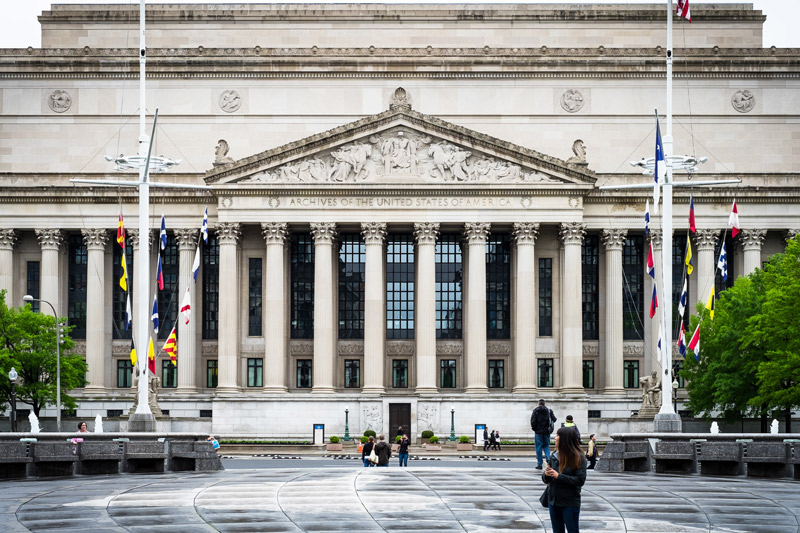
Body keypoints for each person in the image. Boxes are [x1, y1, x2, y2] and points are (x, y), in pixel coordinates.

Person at [542, 426, 588, 533]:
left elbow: (580, 480)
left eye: (557, 435)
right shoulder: (554, 455)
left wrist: (558, 476)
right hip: (553, 501)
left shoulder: (578, 457)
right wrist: (546, 474)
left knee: (572, 530)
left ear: (564, 439)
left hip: (569, 502)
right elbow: (545, 480)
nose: (555, 438)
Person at [531, 399, 557, 470]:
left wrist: (535, 429)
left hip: (538, 432)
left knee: (538, 448)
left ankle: (539, 464)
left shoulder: (535, 411)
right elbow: (554, 419)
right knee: (546, 446)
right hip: (546, 432)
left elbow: (533, 421)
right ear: (544, 404)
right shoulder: (549, 411)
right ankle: (548, 458)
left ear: (539, 404)